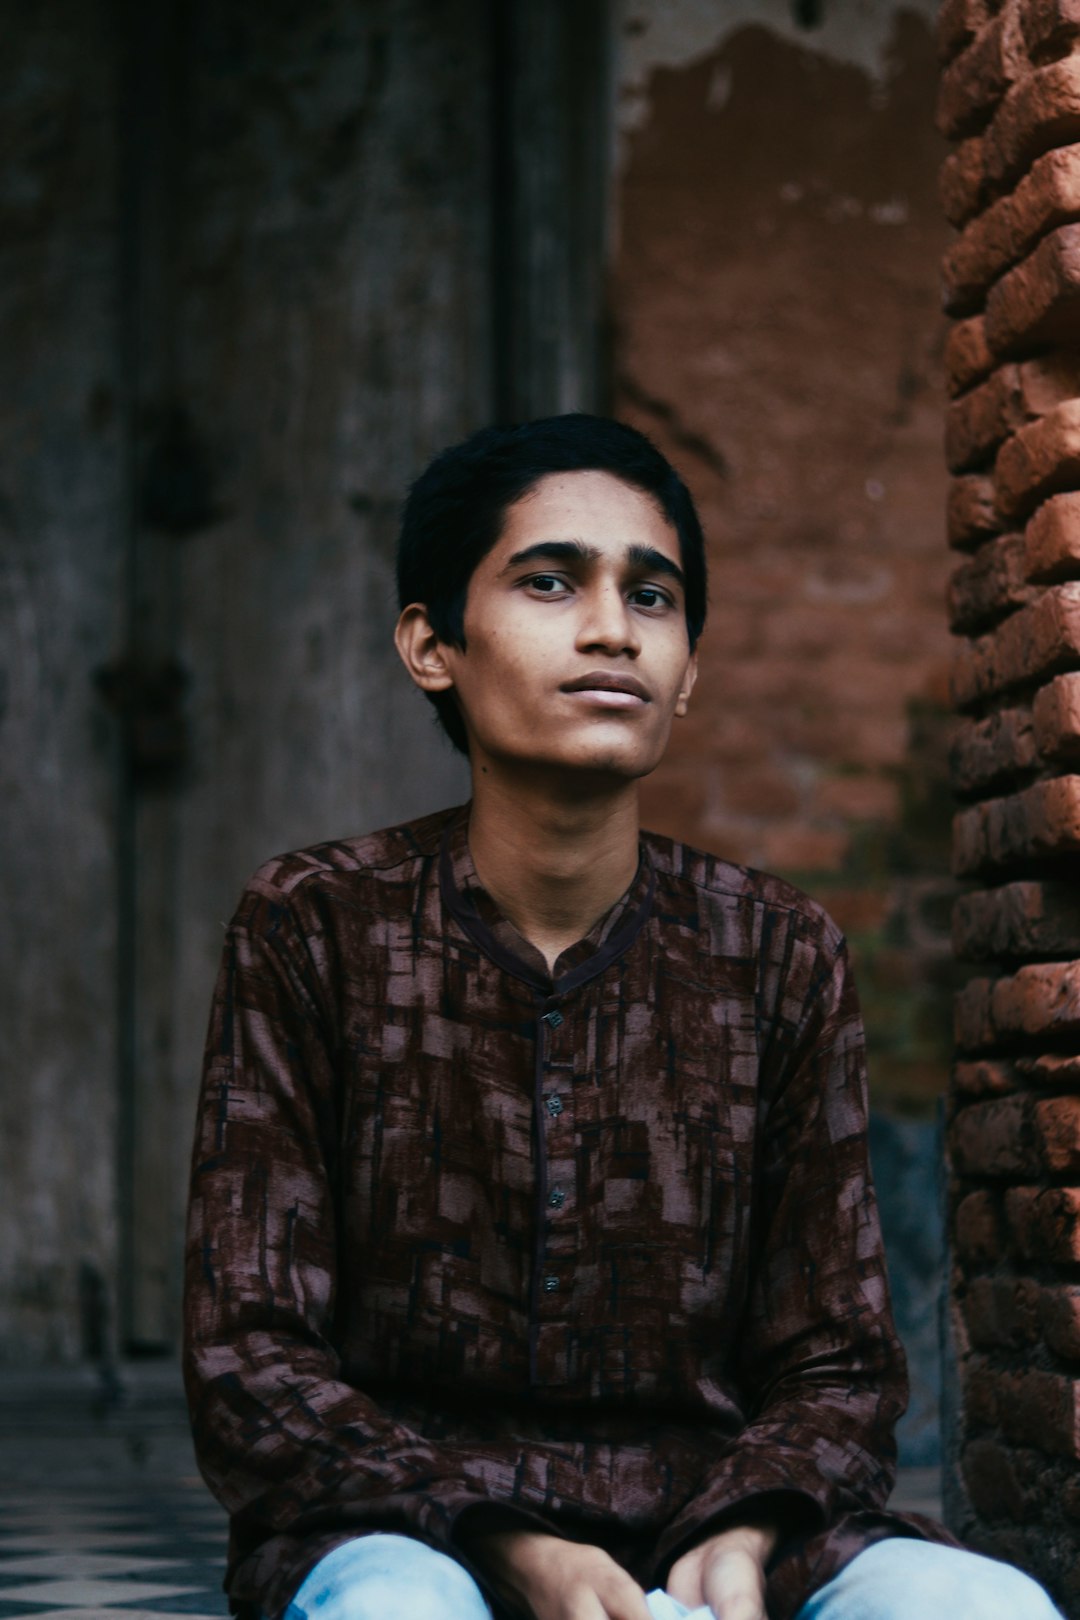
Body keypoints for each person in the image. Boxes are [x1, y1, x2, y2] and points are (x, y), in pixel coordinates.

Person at [183, 415, 1061, 1620]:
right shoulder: (314, 927)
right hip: (410, 1526)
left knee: (986, 1612)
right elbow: (249, 1355)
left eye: (653, 596)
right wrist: (505, 1543)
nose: (612, 626)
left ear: (689, 667)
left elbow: (841, 1361)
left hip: (719, 1526)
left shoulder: (776, 950)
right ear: (432, 644)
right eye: (550, 582)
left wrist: (744, 1540)